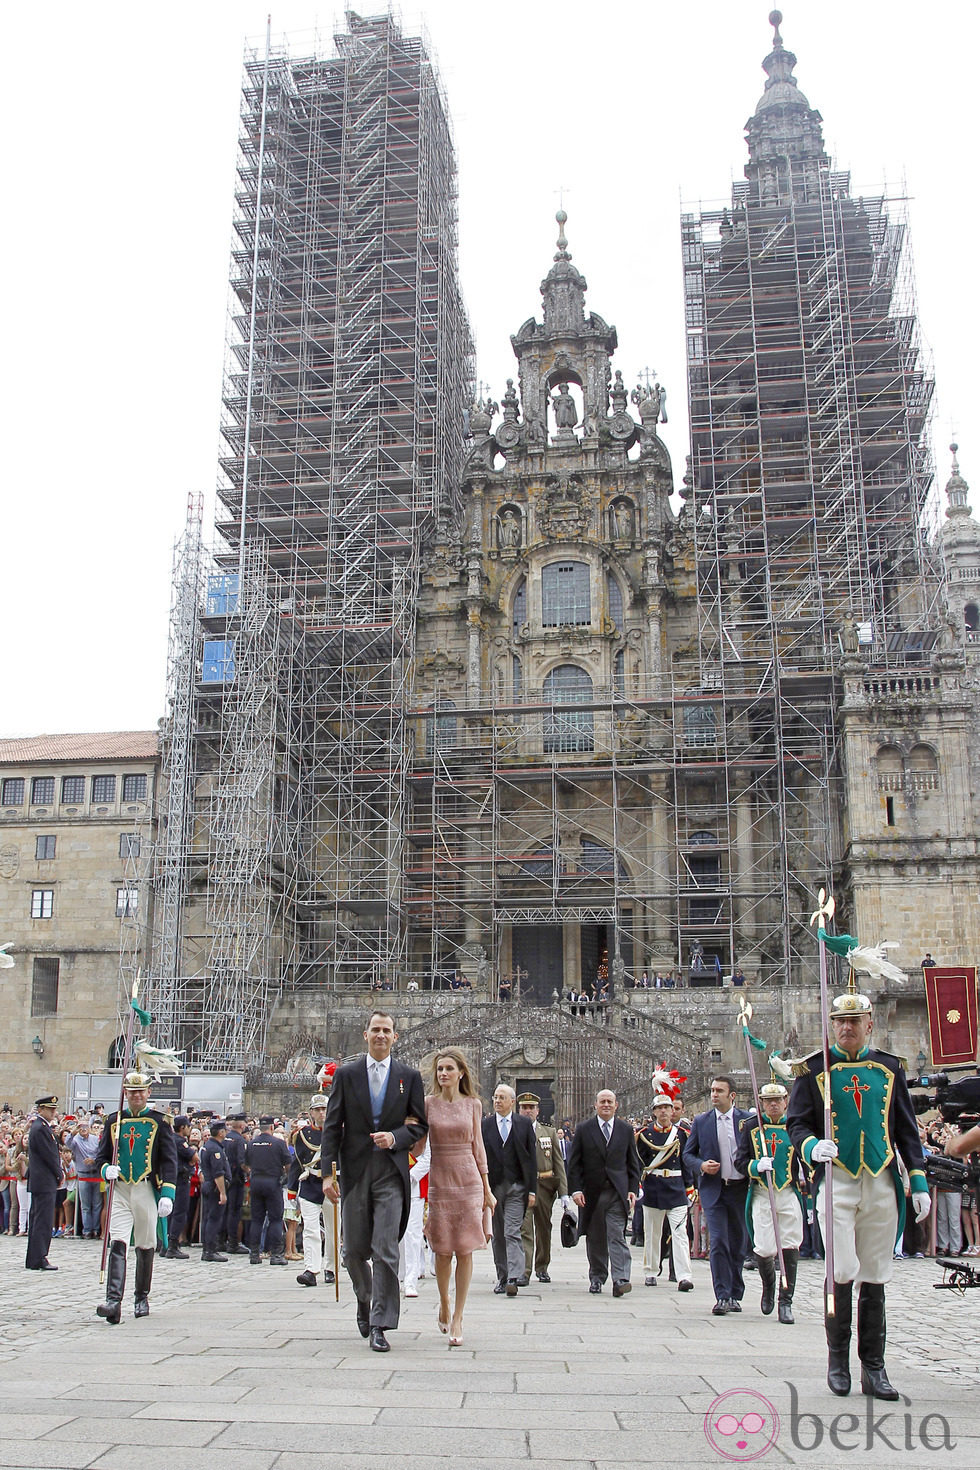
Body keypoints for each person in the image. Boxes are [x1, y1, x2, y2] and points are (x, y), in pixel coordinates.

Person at [786, 989, 930, 1399]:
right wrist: (812, 1146)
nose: (846, 1028)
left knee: (876, 1272)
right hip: (837, 1179)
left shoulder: (888, 1068)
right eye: (839, 1022)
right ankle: (837, 1359)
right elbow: (797, 1123)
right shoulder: (813, 1070)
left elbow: (905, 1128)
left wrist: (917, 1180)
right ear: (832, 1025)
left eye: (854, 1021)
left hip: (880, 1178)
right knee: (841, 1269)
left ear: (870, 1024)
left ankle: (874, 1367)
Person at [320, 1011, 428, 1353]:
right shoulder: (348, 1075)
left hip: (391, 1173)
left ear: (396, 1037)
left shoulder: (408, 1077)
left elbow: (419, 1126)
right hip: (355, 1173)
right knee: (352, 1251)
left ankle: (381, 1323)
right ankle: (364, 1298)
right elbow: (332, 1125)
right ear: (365, 1034)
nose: (381, 1035)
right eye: (376, 1030)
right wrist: (326, 1173)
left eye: (387, 1031)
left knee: (385, 1248)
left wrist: (395, 1137)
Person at [94, 1073, 178, 1321]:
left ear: (149, 1093)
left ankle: (141, 1297)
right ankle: (113, 1301)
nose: (136, 1096)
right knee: (117, 1241)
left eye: (141, 1091)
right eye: (132, 1092)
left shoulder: (160, 1122)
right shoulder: (113, 1121)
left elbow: (168, 1160)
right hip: (120, 1189)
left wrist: (168, 1193)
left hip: (144, 1187)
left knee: (145, 1243)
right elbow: (102, 1157)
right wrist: (104, 1169)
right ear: (125, 1093)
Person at [425, 1049, 494, 1345]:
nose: (443, 1074)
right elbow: (417, 1145)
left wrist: (487, 1189)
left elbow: (478, 1146)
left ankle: (458, 1316)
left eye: (449, 1069)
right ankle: (444, 1300)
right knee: (442, 1249)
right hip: (440, 1176)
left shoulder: (473, 1105)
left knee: (464, 1249)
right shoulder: (427, 1104)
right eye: (440, 1069)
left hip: (468, 1179)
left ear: (461, 1073)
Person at [733, 1081, 802, 1323]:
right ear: (761, 1103)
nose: (773, 1105)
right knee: (763, 1247)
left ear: (786, 1101)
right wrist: (756, 1165)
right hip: (763, 1191)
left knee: (790, 1244)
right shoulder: (752, 1127)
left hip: (788, 1190)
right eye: (768, 1101)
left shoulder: (795, 1125)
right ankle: (768, 1287)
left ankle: (786, 1300)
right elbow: (739, 1161)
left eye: (778, 1100)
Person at [683, 1076, 752, 1315]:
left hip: (740, 1188)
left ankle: (735, 1292)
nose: (714, 1094)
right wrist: (701, 1166)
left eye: (719, 1091)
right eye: (712, 1090)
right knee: (719, 1241)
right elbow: (688, 1155)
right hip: (714, 1189)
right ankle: (722, 1295)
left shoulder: (747, 1120)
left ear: (731, 1095)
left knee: (738, 1242)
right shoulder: (702, 1121)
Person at [567, 1088, 641, 1296]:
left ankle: (621, 1278)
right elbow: (574, 1164)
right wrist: (575, 1190)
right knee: (596, 1237)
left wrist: (633, 1189)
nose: (606, 1105)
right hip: (592, 1193)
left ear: (616, 1105)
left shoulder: (626, 1130)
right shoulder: (584, 1129)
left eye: (610, 1101)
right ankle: (597, 1277)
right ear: (596, 1106)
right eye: (602, 1102)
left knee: (617, 1234)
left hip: (617, 1192)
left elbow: (633, 1163)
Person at [636, 1092, 695, 1291]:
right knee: (652, 1233)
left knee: (680, 1233)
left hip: (676, 1186)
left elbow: (686, 1163)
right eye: (659, 1108)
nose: (663, 1111)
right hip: (654, 1186)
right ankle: (651, 1271)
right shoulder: (644, 1135)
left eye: (667, 1108)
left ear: (673, 1111)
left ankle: (684, 1275)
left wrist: (690, 1187)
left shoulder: (681, 1135)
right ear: (654, 1112)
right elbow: (639, 1163)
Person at [482, 1084, 536, 1298]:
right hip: (494, 1189)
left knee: (512, 1230)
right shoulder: (485, 1125)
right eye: (495, 1097)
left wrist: (532, 1190)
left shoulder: (523, 1124)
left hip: (516, 1187)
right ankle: (502, 1276)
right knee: (498, 1234)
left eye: (502, 1097)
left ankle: (514, 1276)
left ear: (512, 1102)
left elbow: (531, 1159)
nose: (497, 1101)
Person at [517, 1092, 567, 1284]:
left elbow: (558, 1163)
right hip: (523, 1187)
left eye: (531, 1108)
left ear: (538, 1111)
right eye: (524, 1107)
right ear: (519, 1109)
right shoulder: (514, 1130)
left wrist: (564, 1193)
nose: (528, 1111)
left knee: (544, 1228)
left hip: (544, 1186)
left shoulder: (549, 1132)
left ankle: (542, 1266)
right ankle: (525, 1269)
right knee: (525, 1228)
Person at [288, 1095, 335, 1286]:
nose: (321, 1113)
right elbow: (297, 1162)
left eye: (324, 1109)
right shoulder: (301, 1134)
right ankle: (311, 1269)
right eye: (317, 1110)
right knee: (311, 1229)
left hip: (333, 1184)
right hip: (310, 1183)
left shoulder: (338, 1132)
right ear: (311, 1112)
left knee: (333, 1231)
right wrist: (291, 1190)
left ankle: (331, 1267)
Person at [246, 1116, 290, 1266]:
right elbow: (288, 1163)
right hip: (273, 1181)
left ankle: (254, 1253)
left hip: (256, 1181)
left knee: (257, 1219)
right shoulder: (278, 1143)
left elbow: (245, 1164)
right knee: (275, 1219)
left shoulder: (251, 1144)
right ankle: (276, 1254)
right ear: (272, 1128)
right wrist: (286, 1177)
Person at [25, 1095, 63, 1270]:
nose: (53, 1112)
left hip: (41, 1180)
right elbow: (49, 1155)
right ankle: (39, 1257)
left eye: (54, 1109)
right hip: (44, 1179)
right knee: (42, 1220)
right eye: (50, 1109)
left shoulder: (41, 1127)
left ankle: (34, 1258)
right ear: (40, 1109)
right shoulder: (40, 1128)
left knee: (38, 1219)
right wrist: (59, 1173)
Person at [401, 1134, 430, 1298]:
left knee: (413, 1234)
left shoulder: (424, 1125)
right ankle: (398, 1275)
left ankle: (410, 1280)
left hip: (414, 1186)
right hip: (393, 1182)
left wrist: (410, 1176)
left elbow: (428, 1157)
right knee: (396, 1235)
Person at [163, 1116, 197, 1259]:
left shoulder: (169, 1139)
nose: (189, 1129)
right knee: (180, 1213)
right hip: (181, 1180)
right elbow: (195, 1158)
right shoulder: (180, 1141)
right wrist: (189, 1163)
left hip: (171, 1179)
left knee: (170, 1212)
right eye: (188, 1126)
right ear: (182, 1127)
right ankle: (173, 1244)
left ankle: (166, 1243)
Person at [199, 1119, 232, 1262]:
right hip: (214, 1187)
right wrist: (222, 1193)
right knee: (213, 1219)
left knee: (208, 1218)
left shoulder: (209, 1146)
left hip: (208, 1185)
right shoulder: (215, 1149)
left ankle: (207, 1248)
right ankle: (210, 1250)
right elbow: (218, 1173)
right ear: (221, 1132)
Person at [69, 1119, 101, 1239]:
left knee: (97, 1203)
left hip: (96, 1173)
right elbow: (67, 1144)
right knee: (85, 1204)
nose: (83, 1129)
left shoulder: (95, 1139)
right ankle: (87, 1230)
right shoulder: (75, 1140)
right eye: (81, 1127)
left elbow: (100, 1153)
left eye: (85, 1126)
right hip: (83, 1174)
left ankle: (96, 1229)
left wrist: (94, 1160)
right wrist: (73, 1132)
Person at [222, 1115, 248, 1254]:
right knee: (234, 1211)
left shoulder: (225, 1138)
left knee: (224, 1210)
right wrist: (249, 1172)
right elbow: (242, 1162)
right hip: (236, 1179)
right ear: (242, 1126)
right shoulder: (239, 1141)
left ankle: (220, 1240)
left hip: (224, 1178)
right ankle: (233, 1242)